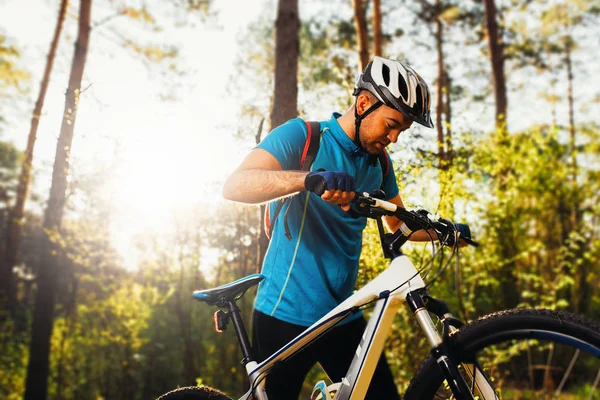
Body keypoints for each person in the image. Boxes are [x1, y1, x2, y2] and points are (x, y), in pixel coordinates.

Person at [222, 56, 468, 399]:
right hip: (285, 315)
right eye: (391, 124)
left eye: (402, 130)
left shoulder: (380, 164)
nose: (394, 138)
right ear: (364, 103)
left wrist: (447, 231)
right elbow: (236, 185)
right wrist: (308, 179)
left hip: (342, 315)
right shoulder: (305, 137)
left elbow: (399, 225)